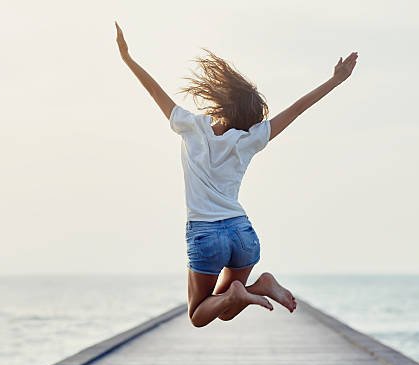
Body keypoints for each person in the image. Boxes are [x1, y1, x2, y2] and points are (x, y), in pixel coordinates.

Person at [114, 21, 357, 327]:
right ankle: (258, 287)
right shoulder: (249, 140)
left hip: (206, 233)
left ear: (222, 102)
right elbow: (296, 110)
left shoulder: (191, 126)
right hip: (242, 234)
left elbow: (153, 90)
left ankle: (246, 292)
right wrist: (335, 81)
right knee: (225, 308)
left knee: (199, 315)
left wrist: (128, 59)